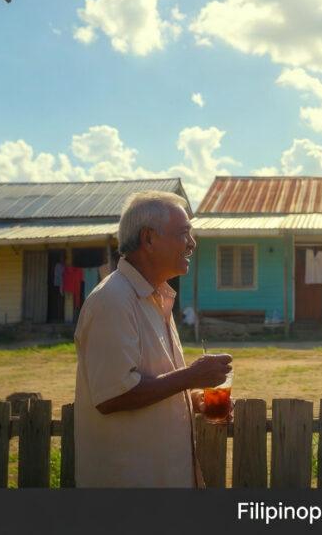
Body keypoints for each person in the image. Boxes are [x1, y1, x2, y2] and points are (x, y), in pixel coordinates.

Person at [74, 190, 232, 487]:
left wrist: (194, 399)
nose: (192, 243)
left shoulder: (155, 296)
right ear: (148, 239)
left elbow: (153, 381)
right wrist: (192, 376)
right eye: (184, 233)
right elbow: (112, 395)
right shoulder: (113, 300)